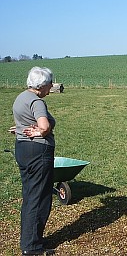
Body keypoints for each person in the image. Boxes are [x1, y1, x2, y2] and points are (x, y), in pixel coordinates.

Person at [12, 67, 56, 255]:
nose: (51, 87)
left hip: (23, 149)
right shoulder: (37, 102)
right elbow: (44, 126)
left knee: (30, 196)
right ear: (42, 85)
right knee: (40, 198)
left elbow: (21, 122)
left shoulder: (21, 97)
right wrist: (41, 131)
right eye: (49, 84)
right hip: (38, 153)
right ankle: (32, 248)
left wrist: (22, 129)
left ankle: (30, 240)